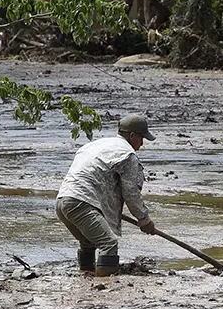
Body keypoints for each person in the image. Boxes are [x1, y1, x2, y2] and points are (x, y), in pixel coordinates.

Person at [55, 113, 157, 276]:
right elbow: (131, 194)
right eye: (142, 138)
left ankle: (85, 280)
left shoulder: (95, 145)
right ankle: (104, 289)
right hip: (82, 203)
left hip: (62, 202)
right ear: (132, 136)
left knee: (88, 242)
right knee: (108, 244)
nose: (142, 144)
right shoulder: (127, 155)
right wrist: (144, 220)